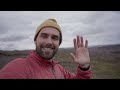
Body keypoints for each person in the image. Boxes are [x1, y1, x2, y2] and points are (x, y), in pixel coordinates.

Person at [0, 18, 92, 79]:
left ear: (59, 43)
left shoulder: (58, 68)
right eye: (44, 36)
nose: (49, 42)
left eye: (55, 38)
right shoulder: (17, 69)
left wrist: (84, 67)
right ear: (35, 40)